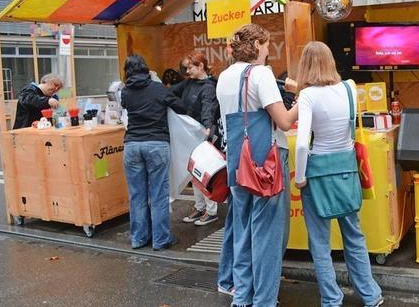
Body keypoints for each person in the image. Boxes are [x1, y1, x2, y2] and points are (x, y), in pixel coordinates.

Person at [294, 41, 383, 307]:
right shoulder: (350, 88)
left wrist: (300, 178)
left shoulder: (308, 95)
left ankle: (332, 300)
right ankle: (370, 295)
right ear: (330, 61)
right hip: (346, 169)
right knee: (354, 235)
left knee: (320, 244)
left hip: (317, 172)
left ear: (305, 65)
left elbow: (301, 143)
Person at [216, 23, 298, 306]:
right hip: (265, 164)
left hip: (237, 162)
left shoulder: (224, 77)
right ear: (255, 47)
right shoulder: (261, 74)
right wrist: (304, 98)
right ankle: (264, 300)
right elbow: (285, 121)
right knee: (267, 235)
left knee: (243, 231)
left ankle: (243, 297)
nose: (267, 50)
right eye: (265, 45)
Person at [120, 55, 187, 251]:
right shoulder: (158, 89)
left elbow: (126, 107)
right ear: (146, 69)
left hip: (132, 146)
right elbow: (180, 106)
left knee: (137, 195)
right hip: (156, 144)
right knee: (158, 194)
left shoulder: (125, 92)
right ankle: (160, 240)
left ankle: (139, 239)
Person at [171, 50, 221, 226]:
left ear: (201, 66)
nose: (187, 71)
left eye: (190, 67)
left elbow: (209, 108)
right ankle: (200, 207)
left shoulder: (208, 87)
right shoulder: (188, 84)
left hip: (202, 136)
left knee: (203, 173)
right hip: (191, 136)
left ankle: (211, 210)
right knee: (194, 174)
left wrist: (207, 127)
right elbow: (169, 93)